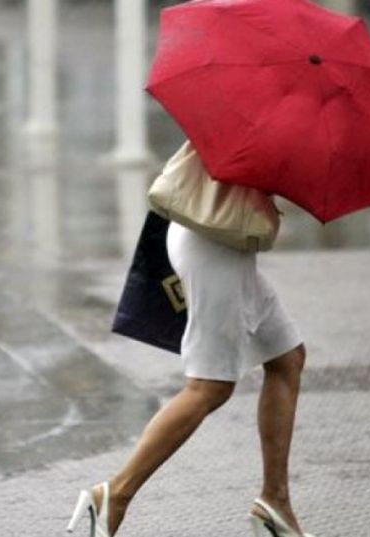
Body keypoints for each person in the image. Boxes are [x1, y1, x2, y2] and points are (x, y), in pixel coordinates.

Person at [67, 193, 309, 537]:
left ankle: (275, 503)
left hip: (218, 234)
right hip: (215, 241)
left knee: (286, 357)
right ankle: (114, 495)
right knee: (209, 387)